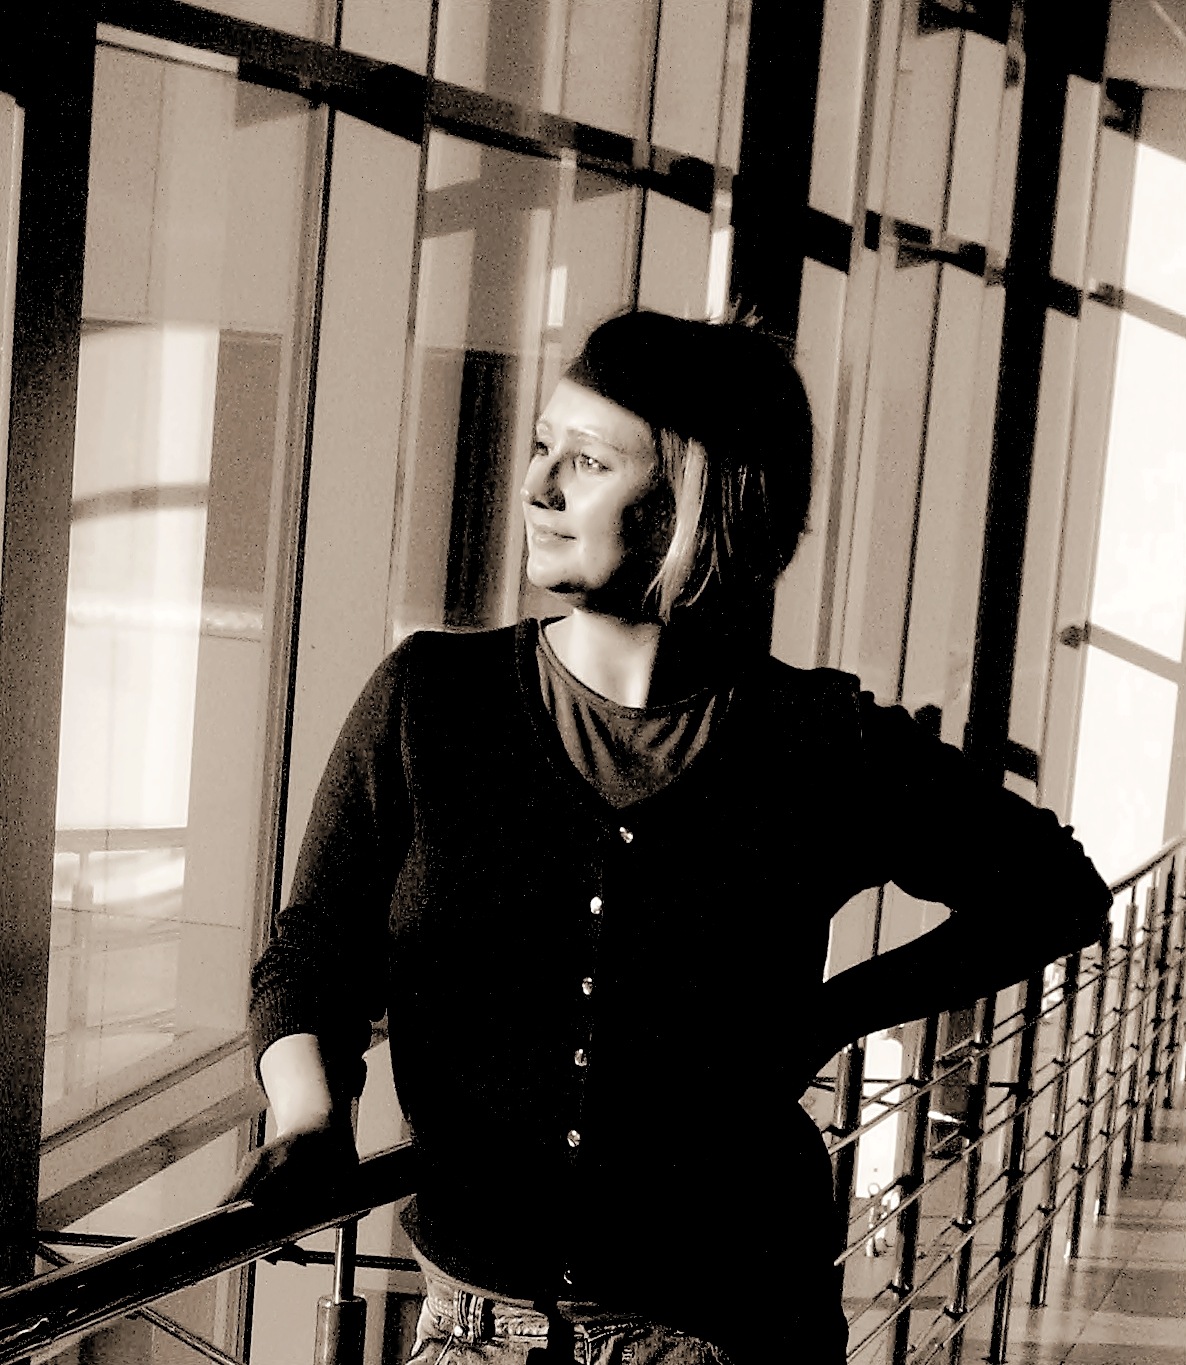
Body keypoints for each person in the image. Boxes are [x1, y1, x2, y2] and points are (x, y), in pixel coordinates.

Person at [235, 310, 1112, 1364]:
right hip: (475, 1330)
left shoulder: (816, 741)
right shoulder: (432, 702)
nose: (537, 486)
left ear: (697, 499)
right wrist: (309, 1116)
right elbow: (314, 950)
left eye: (588, 461)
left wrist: (834, 1016)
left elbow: (1056, 891)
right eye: (541, 446)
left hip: (731, 1327)